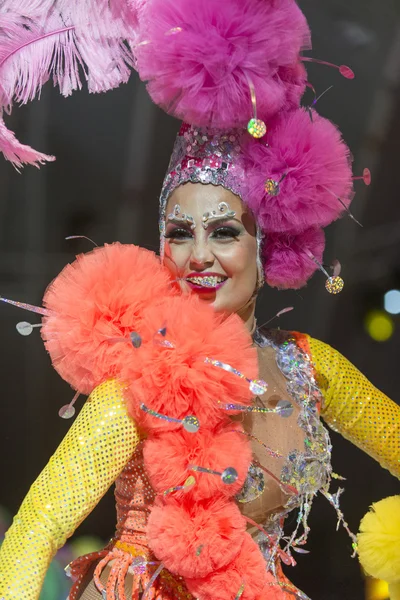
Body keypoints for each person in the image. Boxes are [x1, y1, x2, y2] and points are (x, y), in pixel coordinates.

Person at [0, 1, 399, 599]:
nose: (199, 257)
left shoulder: (308, 369)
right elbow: (34, 530)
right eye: (180, 234)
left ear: (269, 245)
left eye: (224, 231)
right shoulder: (135, 387)